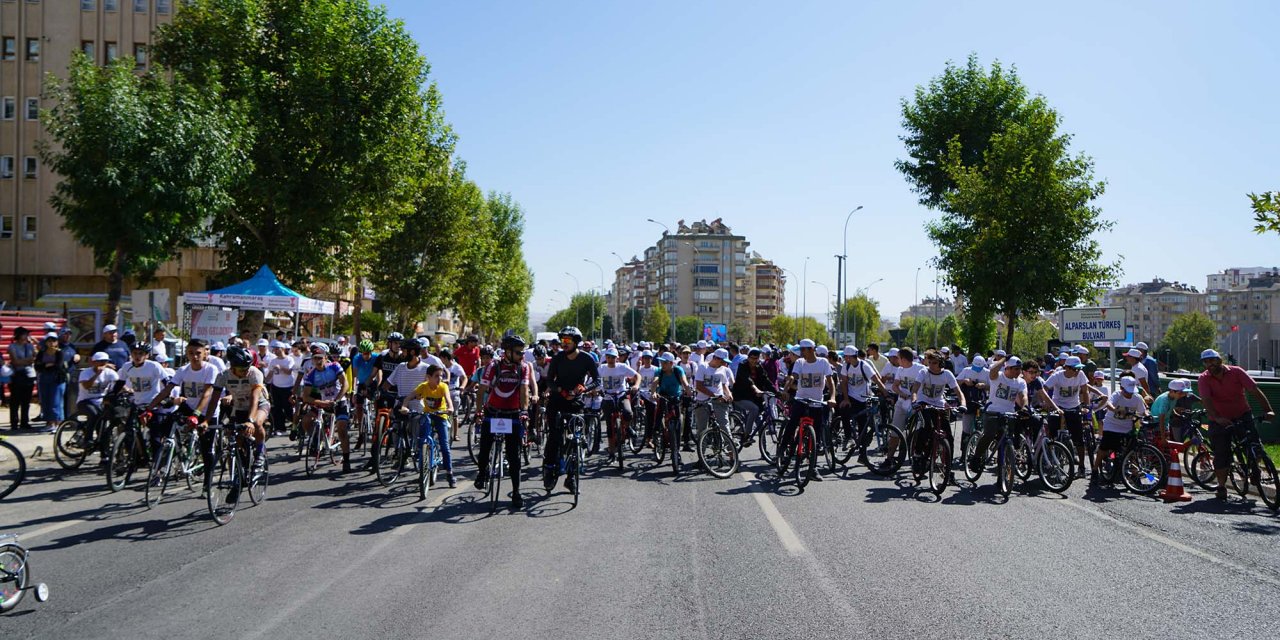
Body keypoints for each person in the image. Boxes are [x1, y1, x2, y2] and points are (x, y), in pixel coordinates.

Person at [1197, 349, 1275, 500]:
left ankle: (1255, 468)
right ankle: (1221, 486)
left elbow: (1254, 390)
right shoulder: (1204, 378)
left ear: (1219, 360)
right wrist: (1217, 418)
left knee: (1255, 446)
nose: (1209, 364)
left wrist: (1268, 410)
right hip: (1219, 419)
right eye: (1206, 362)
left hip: (1241, 414)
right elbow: (1206, 401)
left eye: (1212, 360)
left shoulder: (1237, 372)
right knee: (1221, 453)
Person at [475, 334, 536, 506]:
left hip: (513, 413)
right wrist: (479, 411)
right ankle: (482, 473)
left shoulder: (523, 367)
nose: (521, 356)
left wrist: (524, 411)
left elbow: (525, 391)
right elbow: (482, 390)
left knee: (514, 456)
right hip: (493, 411)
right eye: (518, 353)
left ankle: (516, 493)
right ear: (507, 352)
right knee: (485, 448)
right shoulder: (493, 366)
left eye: (522, 353)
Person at [542, 326, 600, 492]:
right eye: (562, 340)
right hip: (557, 400)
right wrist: (560, 390)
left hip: (576, 402)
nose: (564, 344)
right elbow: (550, 382)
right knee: (554, 435)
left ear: (576, 342)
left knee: (577, 439)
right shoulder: (558, 358)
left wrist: (584, 389)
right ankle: (550, 467)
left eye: (567, 340)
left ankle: (571, 478)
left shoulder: (586, 358)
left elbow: (597, 380)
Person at [967, 355, 1029, 479]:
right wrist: (1004, 359)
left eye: (1019, 369)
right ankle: (976, 457)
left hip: (1009, 413)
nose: (1018, 372)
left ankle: (1003, 475)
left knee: (1006, 442)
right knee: (989, 434)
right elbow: (993, 370)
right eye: (1016, 369)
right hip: (993, 411)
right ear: (1008, 368)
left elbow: (1023, 396)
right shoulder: (998, 377)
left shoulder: (1021, 382)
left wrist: (1025, 407)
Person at [781, 339, 834, 481]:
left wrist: (833, 397)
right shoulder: (799, 363)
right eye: (801, 350)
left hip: (816, 403)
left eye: (804, 349)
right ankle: (783, 450)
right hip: (801, 400)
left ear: (811, 349)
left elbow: (830, 381)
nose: (802, 352)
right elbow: (793, 377)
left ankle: (813, 467)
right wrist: (786, 389)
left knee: (815, 437)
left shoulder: (823, 362)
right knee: (792, 425)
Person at [910, 349, 965, 475]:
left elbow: (959, 392)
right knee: (927, 427)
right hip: (923, 403)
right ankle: (918, 455)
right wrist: (914, 402)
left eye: (934, 363)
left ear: (941, 364)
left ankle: (948, 467)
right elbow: (914, 390)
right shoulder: (923, 372)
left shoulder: (947, 374)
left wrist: (963, 404)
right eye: (929, 362)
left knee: (948, 436)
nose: (931, 365)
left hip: (939, 404)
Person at [301, 343, 353, 473]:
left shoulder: (335, 366)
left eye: (320, 358)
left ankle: (346, 460)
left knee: (341, 428)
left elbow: (345, 384)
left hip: (339, 401)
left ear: (325, 358)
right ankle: (317, 441)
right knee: (306, 420)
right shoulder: (311, 375)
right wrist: (321, 402)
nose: (318, 361)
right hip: (324, 402)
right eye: (315, 358)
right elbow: (306, 396)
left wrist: (336, 399)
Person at [406, 363, 456, 487]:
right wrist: (404, 406)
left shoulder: (443, 387)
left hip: (441, 415)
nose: (439, 378)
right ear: (428, 377)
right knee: (422, 439)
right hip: (428, 414)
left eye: (441, 376)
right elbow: (409, 397)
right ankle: (423, 468)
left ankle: (449, 473)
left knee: (444, 445)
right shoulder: (423, 387)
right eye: (436, 376)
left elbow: (449, 400)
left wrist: (450, 408)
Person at [1093, 377, 1149, 482]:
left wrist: (1147, 415)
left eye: (1132, 392)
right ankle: (1095, 469)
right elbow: (1109, 404)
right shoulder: (1117, 395)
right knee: (1104, 448)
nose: (1130, 394)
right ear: (1122, 388)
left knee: (1132, 449)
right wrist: (1115, 410)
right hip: (1112, 426)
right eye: (1128, 392)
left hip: (1127, 428)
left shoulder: (1137, 398)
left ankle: (1134, 473)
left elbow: (1142, 411)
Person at [1043, 356, 1091, 473]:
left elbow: (1085, 391)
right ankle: (1050, 458)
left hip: (1074, 406)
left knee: (1079, 438)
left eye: (1079, 369)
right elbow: (1044, 388)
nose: (1077, 371)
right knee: (1053, 434)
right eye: (1075, 369)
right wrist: (1047, 402)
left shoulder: (1080, 375)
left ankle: (1081, 466)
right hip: (1058, 406)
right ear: (1067, 368)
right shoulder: (1057, 376)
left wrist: (1086, 407)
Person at [837, 346, 882, 465]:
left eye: (846, 356)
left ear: (850, 356)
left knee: (863, 428)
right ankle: (848, 436)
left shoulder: (864, 365)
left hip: (863, 398)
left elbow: (876, 379)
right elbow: (844, 382)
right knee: (844, 410)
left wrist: (886, 393)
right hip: (851, 396)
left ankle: (862, 456)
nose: (845, 358)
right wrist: (846, 399)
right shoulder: (846, 366)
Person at [597, 347, 639, 460]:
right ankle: (611, 452)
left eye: (613, 357)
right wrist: (595, 389)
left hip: (621, 395)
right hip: (607, 397)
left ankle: (628, 427)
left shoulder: (622, 367)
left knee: (628, 413)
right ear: (605, 358)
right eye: (608, 357)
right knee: (609, 426)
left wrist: (636, 385)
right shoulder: (601, 368)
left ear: (617, 358)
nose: (610, 359)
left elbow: (637, 376)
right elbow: (595, 380)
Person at [692, 348, 733, 452]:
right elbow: (699, 386)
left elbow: (724, 384)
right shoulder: (703, 367)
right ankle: (702, 456)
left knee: (725, 426)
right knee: (702, 430)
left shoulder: (723, 369)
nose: (724, 364)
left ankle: (732, 454)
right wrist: (714, 395)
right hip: (703, 401)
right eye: (722, 361)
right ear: (715, 358)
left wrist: (728, 394)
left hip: (719, 401)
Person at [732, 348, 775, 448]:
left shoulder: (759, 367)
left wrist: (777, 392)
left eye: (756, 359)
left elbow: (766, 380)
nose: (754, 361)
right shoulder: (742, 365)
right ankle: (746, 435)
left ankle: (764, 451)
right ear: (748, 358)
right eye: (752, 358)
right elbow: (747, 379)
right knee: (754, 409)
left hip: (755, 398)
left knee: (761, 424)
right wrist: (756, 389)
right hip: (740, 396)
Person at [33, 333, 67, 432]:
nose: (51, 343)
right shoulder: (41, 352)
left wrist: (45, 365)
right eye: (49, 341)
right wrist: (47, 365)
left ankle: (57, 423)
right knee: (45, 401)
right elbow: (37, 366)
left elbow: (58, 366)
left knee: (55, 401)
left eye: (53, 340)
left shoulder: (59, 353)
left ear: (57, 342)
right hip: (44, 378)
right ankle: (49, 423)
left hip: (57, 379)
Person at [6, 327, 37, 431]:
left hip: (29, 376)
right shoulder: (12, 346)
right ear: (18, 335)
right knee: (15, 400)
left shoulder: (30, 346)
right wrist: (28, 360)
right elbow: (15, 362)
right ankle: (14, 423)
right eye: (25, 334)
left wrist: (25, 361)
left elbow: (35, 358)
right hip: (17, 375)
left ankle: (25, 422)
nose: (27, 336)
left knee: (26, 400)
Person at [266, 341, 296, 437]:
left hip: (287, 387)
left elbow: (289, 372)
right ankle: (280, 428)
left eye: (277, 348)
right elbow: (270, 373)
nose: (275, 351)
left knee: (288, 408)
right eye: (274, 349)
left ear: (282, 349)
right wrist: (265, 380)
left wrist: (281, 367)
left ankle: (295, 423)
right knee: (277, 409)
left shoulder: (289, 359)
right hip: (276, 387)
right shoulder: (273, 361)